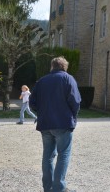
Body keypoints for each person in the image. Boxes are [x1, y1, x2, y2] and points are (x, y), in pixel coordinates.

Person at [29, 56, 81, 192]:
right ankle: (58, 188)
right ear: (65, 67)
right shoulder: (68, 79)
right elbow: (75, 101)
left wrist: (42, 112)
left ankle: (48, 187)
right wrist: (73, 117)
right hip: (63, 123)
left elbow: (32, 102)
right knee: (63, 154)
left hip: (45, 124)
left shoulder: (42, 81)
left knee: (47, 156)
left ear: (52, 66)